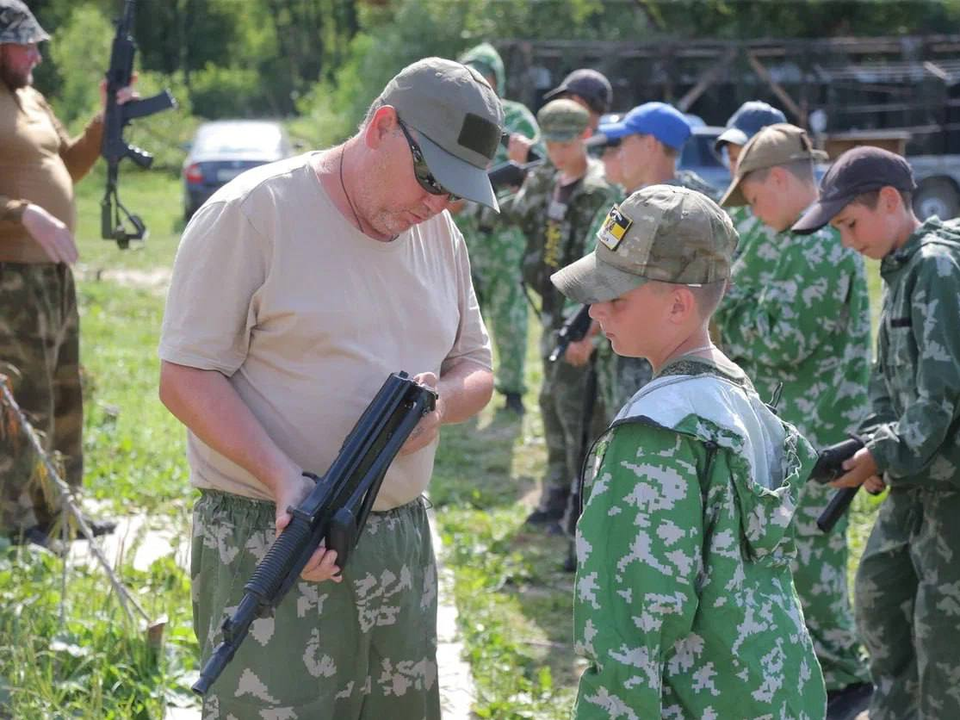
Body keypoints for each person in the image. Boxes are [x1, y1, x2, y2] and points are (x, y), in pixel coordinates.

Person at [157, 57, 501, 718]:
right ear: (380, 126)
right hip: (273, 535)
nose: (438, 203)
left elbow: (476, 369)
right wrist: (285, 478)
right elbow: (184, 378)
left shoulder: (439, 234)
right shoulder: (254, 214)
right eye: (431, 177)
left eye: (457, 191)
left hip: (397, 544)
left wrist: (441, 406)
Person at [551, 184, 827, 718]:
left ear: (678, 304)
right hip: (769, 689)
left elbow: (632, 630)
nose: (596, 310)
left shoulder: (655, 433)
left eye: (616, 296)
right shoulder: (738, 396)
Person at [793, 146, 960, 720]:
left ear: (890, 202)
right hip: (917, 478)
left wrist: (879, 454)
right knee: (879, 599)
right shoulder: (899, 269)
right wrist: (868, 445)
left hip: (951, 489)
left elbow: (939, 399)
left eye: (849, 224)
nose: (846, 240)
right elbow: (888, 386)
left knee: (944, 639)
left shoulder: (935, 267)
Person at [717, 124, 874, 716]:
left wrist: (727, 308)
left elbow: (781, 339)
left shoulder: (820, 243)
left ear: (779, 180)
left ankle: (846, 677)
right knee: (784, 550)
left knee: (812, 557)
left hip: (822, 426)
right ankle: (812, 667)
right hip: (788, 424)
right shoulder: (778, 235)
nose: (753, 212)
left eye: (754, 197)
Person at [0, 0, 125, 549]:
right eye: (25, 44)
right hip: (9, 274)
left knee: (61, 388)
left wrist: (104, 119)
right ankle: (15, 518)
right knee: (19, 398)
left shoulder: (32, 98)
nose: (36, 55)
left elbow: (68, 167)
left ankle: (60, 511)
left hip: (52, 274)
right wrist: (21, 212)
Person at [509, 98, 612, 529]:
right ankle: (555, 491)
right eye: (549, 143)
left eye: (564, 143)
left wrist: (586, 331)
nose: (555, 151)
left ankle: (578, 500)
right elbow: (513, 216)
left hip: (578, 318)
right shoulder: (548, 179)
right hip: (552, 311)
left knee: (580, 416)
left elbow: (601, 266)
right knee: (550, 402)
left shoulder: (598, 190)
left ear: (584, 136)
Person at [585, 102, 716, 415]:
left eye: (625, 142)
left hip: (648, 353)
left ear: (650, 144)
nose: (620, 153)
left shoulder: (648, 209)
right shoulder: (704, 200)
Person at [455, 42, 541, 414]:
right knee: (462, 318)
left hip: (506, 236)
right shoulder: (455, 116)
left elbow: (538, 169)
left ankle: (513, 391)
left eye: (484, 75)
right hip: (465, 233)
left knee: (510, 316)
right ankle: (459, 387)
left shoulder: (517, 118)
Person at [542, 68, 613, 132]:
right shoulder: (614, 140)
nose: (560, 107)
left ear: (577, 101)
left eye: (564, 101)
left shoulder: (557, 143)